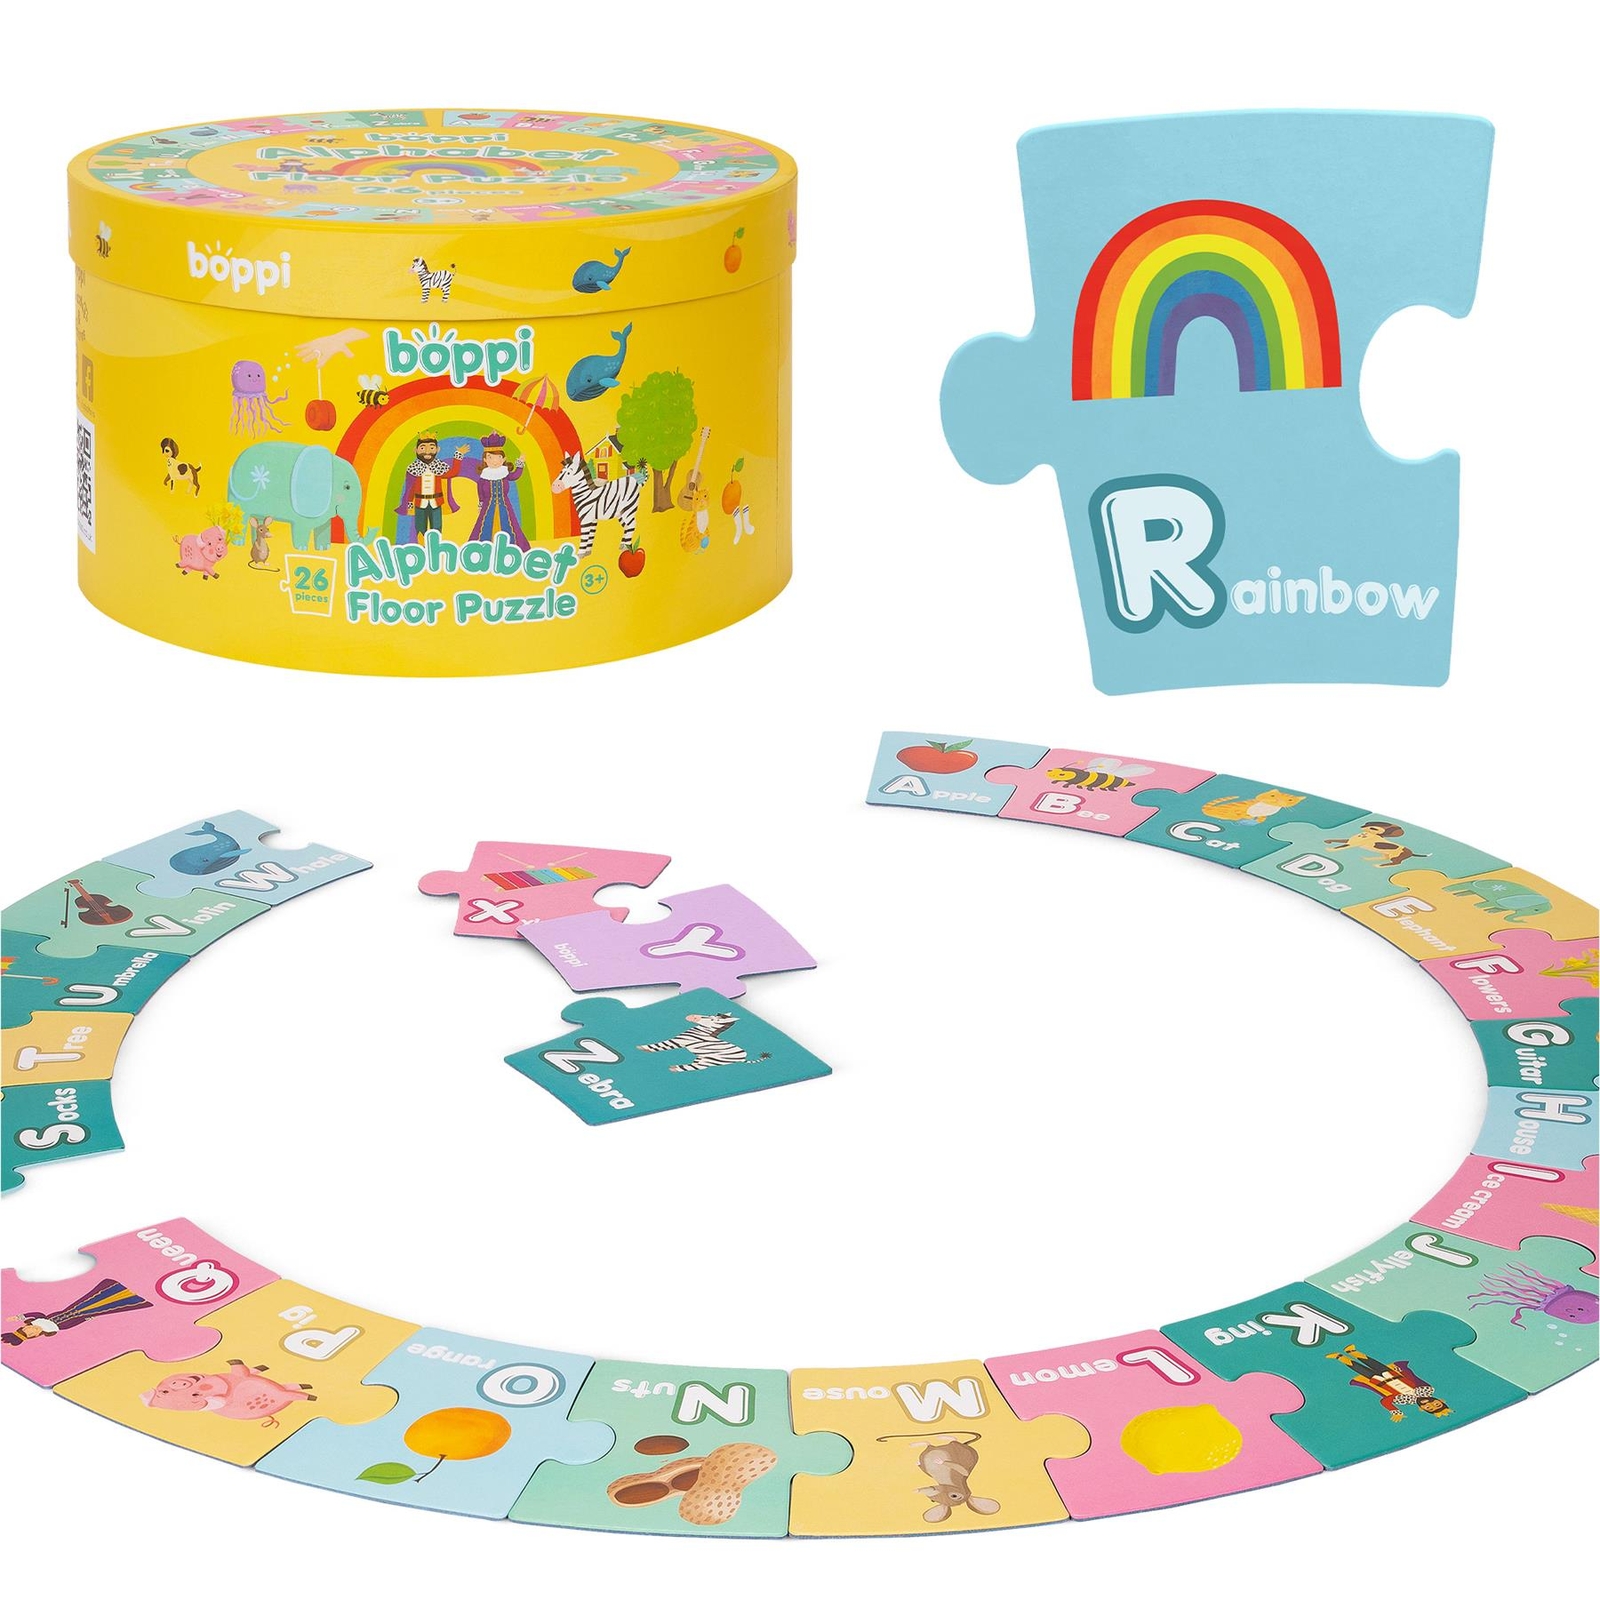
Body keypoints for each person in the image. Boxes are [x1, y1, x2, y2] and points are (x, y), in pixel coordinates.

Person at [456, 432, 531, 549]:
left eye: (498, 457)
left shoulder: (504, 473)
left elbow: (515, 475)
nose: (495, 461)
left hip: (504, 506)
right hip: (487, 506)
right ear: (485, 459)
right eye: (490, 457)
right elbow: (480, 492)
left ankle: (512, 547)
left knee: (509, 524)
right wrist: (480, 504)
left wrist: (520, 463)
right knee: (484, 525)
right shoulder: (484, 477)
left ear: (503, 459)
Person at [396, 434, 464, 541]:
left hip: (436, 502)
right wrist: (409, 501)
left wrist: (458, 455)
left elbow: (453, 472)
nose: (427, 452)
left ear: (437, 449)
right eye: (423, 448)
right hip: (420, 503)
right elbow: (410, 487)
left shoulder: (439, 467)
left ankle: (435, 546)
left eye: (431, 448)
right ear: (416, 450)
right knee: (420, 528)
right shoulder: (413, 469)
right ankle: (422, 547)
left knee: (436, 528)